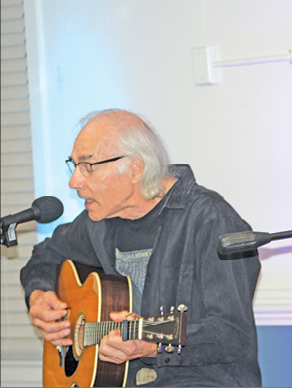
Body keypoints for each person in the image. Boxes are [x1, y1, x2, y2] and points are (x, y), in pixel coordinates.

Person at [20, 109, 262, 387]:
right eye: (73, 166)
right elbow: (45, 257)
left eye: (87, 167)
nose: (73, 182)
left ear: (135, 169)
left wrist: (151, 345)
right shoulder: (97, 223)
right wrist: (39, 294)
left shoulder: (211, 220)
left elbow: (231, 332)